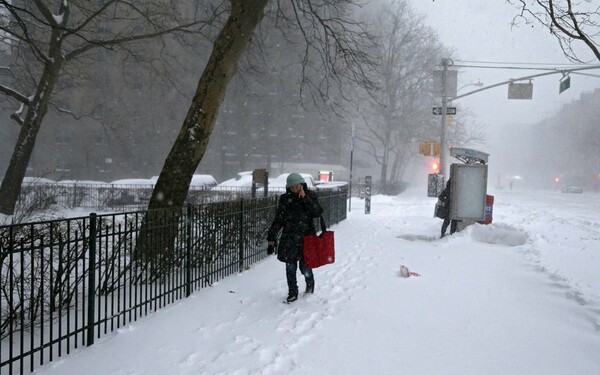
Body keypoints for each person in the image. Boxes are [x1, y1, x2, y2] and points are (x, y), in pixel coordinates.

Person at [267, 173, 324, 303]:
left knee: (305, 267)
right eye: (291, 187)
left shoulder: (310, 196)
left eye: (296, 186)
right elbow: (279, 220)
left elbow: (317, 212)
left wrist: (305, 199)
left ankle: (310, 284)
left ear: (302, 185)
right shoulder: (285, 200)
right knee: (290, 267)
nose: (294, 189)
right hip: (289, 238)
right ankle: (293, 292)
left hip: (306, 238)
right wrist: (271, 238)